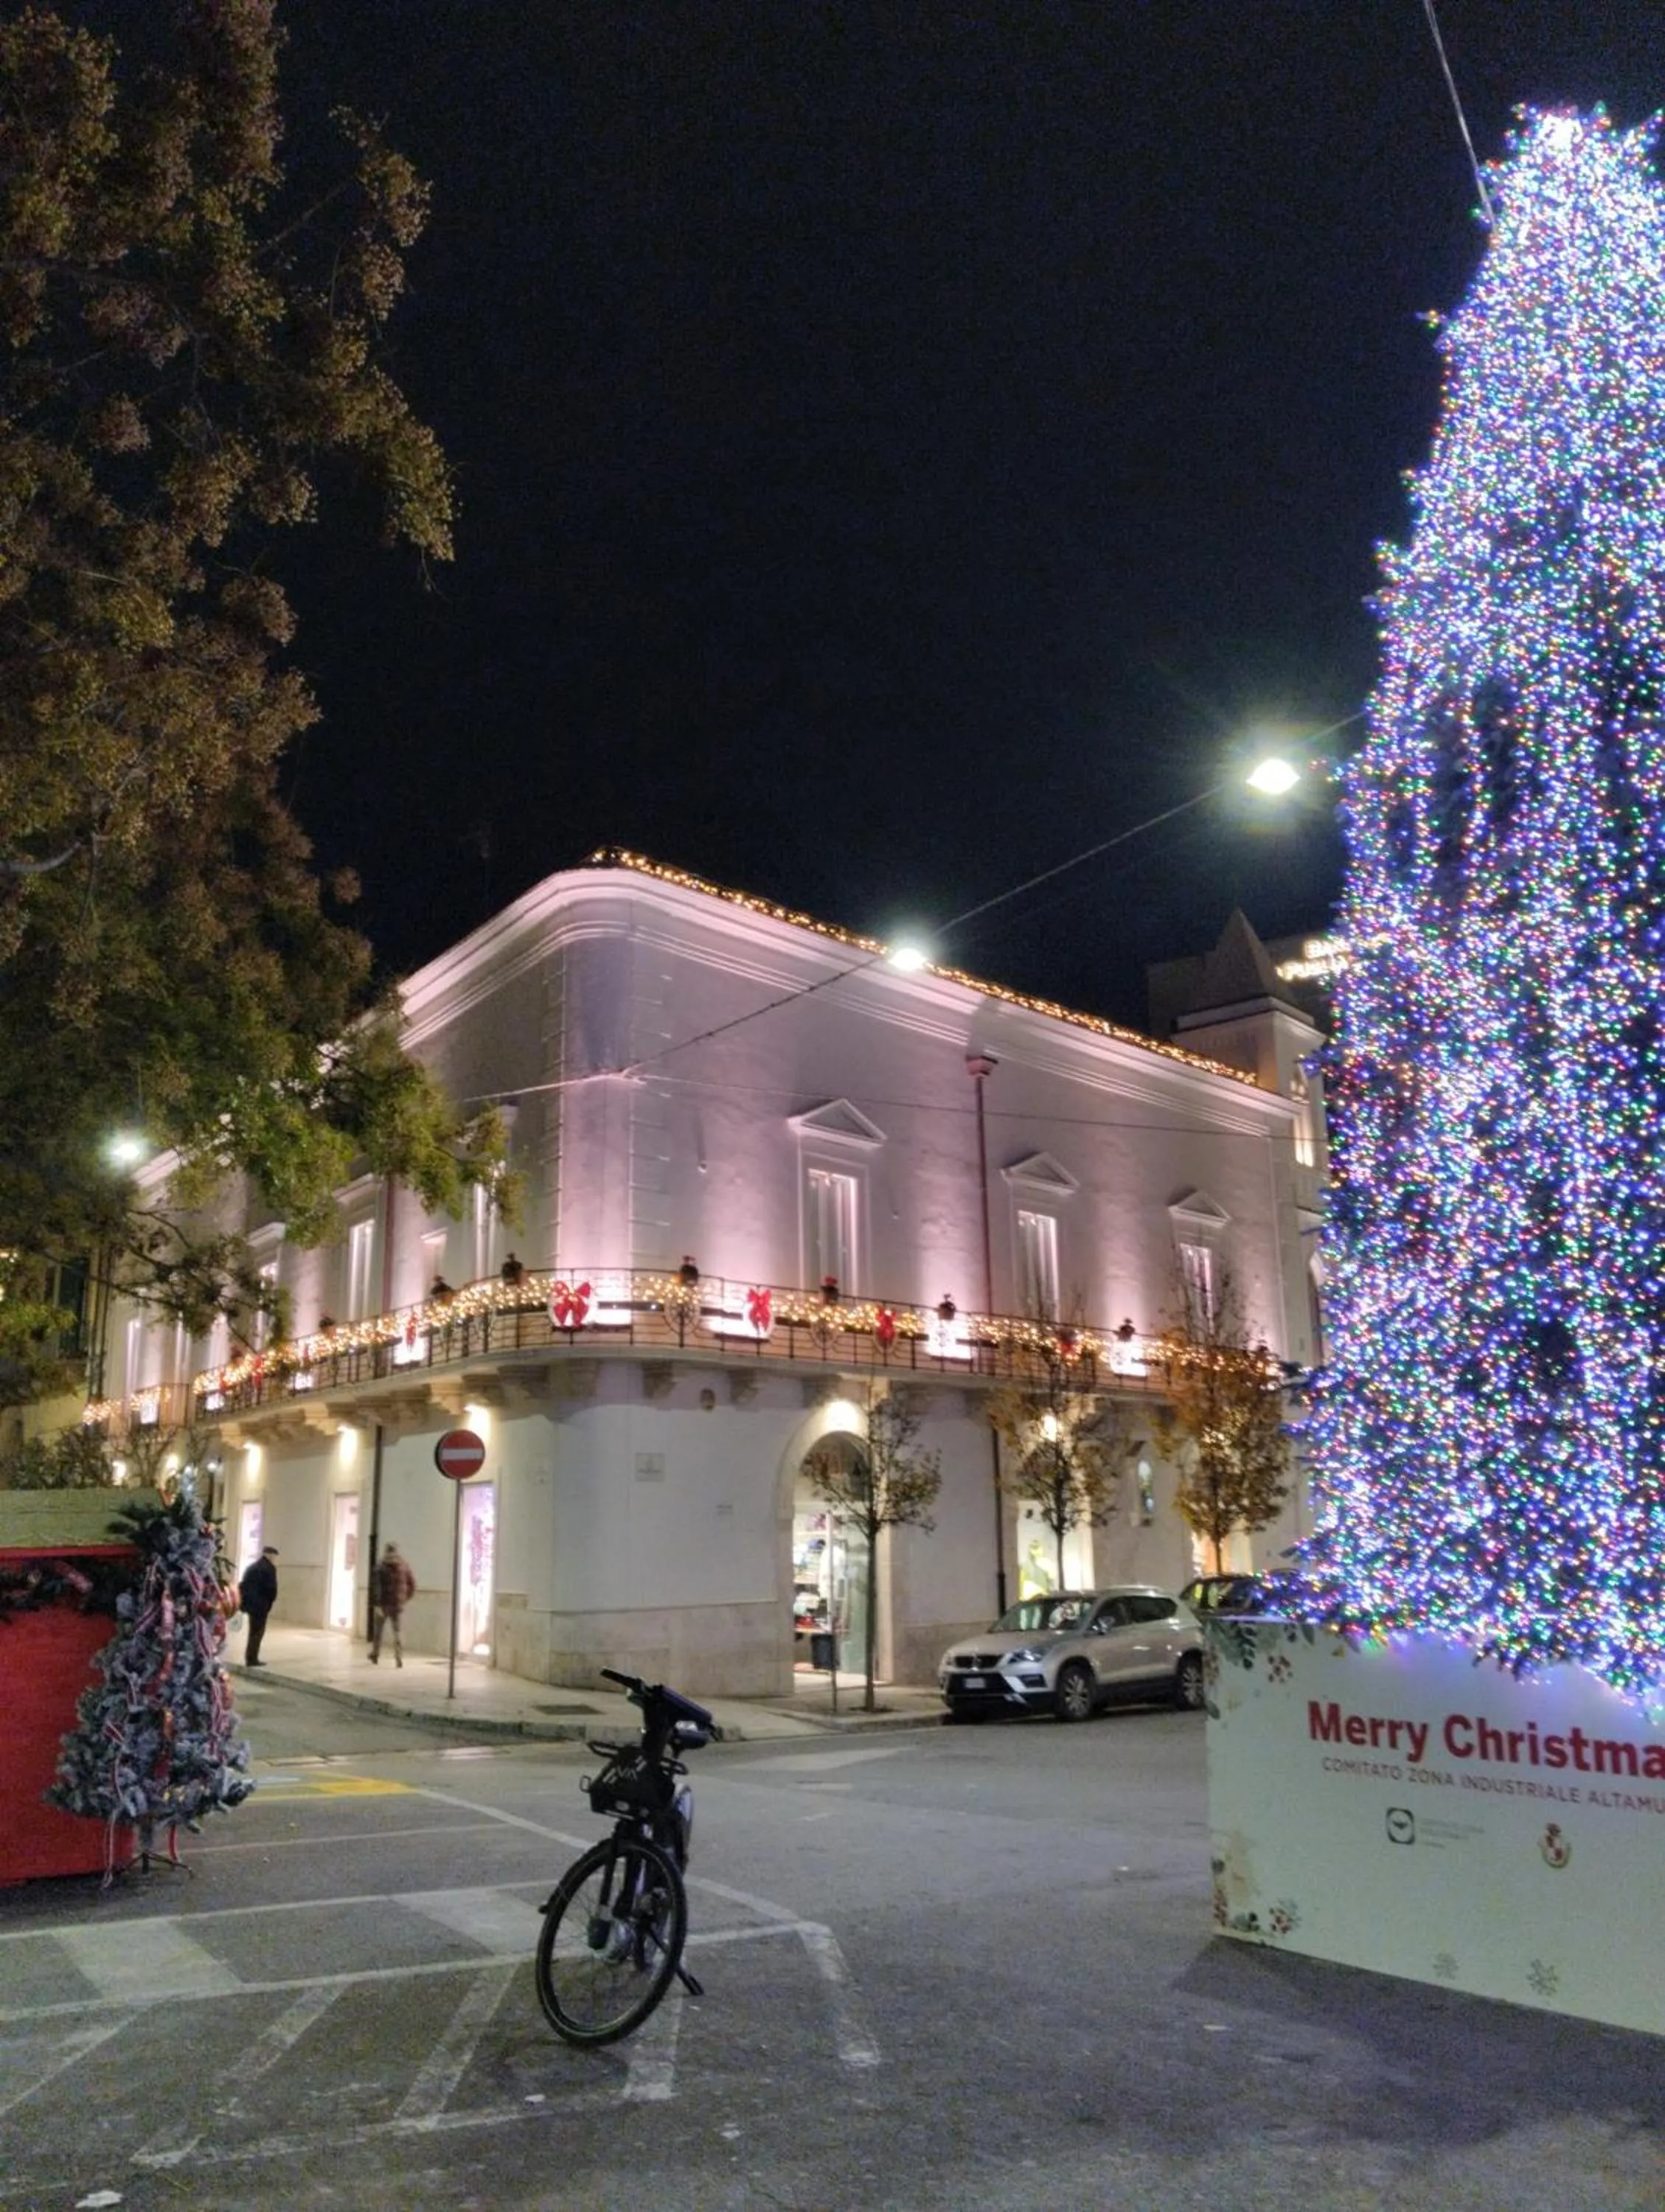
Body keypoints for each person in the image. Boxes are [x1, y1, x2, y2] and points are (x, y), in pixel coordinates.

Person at [369, 1542, 417, 1666]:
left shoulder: (380, 1566)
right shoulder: (404, 1566)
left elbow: (376, 1587)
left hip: (383, 1604)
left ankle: (375, 1654)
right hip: (397, 1605)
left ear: (386, 1551)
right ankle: (399, 1657)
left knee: (378, 1631)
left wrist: (376, 1604)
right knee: (397, 1631)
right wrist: (404, 1598)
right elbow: (412, 1585)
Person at [238, 1545, 279, 1666]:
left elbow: (243, 1586)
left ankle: (249, 1657)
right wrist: (270, 1601)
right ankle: (253, 1658)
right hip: (261, 1605)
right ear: (270, 1555)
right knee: (258, 1632)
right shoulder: (269, 1568)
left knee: (253, 1631)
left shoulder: (252, 1567)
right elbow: (271, 1588)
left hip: (251, 1604)